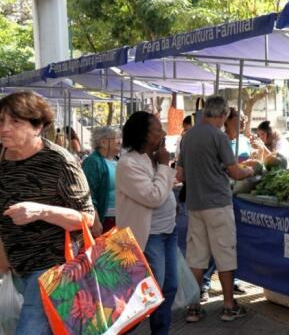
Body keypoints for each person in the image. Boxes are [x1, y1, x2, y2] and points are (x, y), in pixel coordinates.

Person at [0, 91, 97, 335]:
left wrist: (41, 210)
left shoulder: (60, 161)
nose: (4, 128)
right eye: (1, 120)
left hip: (53, 266)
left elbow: (87, 218)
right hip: (15, 266)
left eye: (15, 122)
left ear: (38, 126)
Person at [177, 95, 254, 323]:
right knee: (225, 255)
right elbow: (235, 173)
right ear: (221, 115)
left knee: (196, 257)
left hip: (195, 204)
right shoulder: (219, 137)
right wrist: (251, 172)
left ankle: (193, 307)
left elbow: (179, 174)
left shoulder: (188, 137)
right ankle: (229, 307)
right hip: (218, 204)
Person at [115, 111, 178, 334]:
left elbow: (163, 190)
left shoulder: (152, 159)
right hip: (149, 237)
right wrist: (164, 165)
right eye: (157, 129)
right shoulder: (128, 163)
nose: (162, 133)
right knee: (147, 294)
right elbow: (153, 197)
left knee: (169, 288)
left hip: (168, 233)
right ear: (144, 135)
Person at [82, 126, 122, 233]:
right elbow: (88, 194)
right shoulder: (93, 162)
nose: (120, 141)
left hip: (119, 220)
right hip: (105, 221)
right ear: (104, 142)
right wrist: (96, 220)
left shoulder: (117, 161)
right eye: (117, 138)